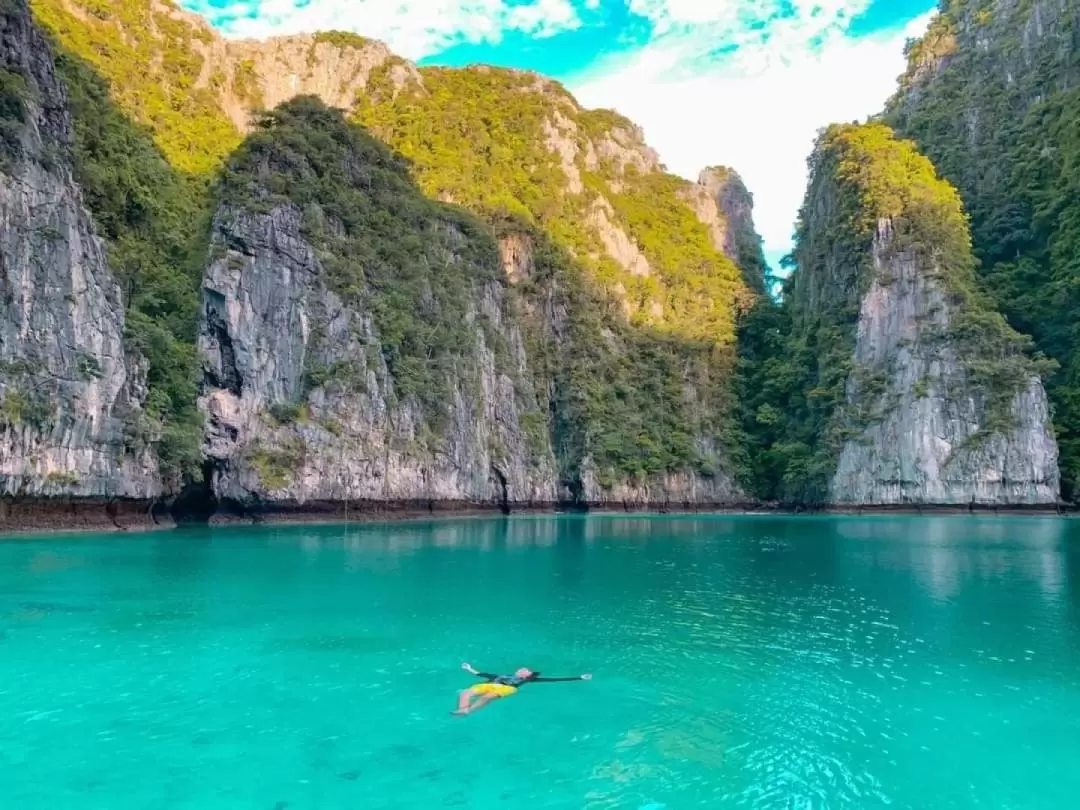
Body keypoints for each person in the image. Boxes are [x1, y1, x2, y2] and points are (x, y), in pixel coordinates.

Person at [453, 662, 592, 715]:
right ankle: (462, 709)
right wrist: (469, 668)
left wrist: (580, 677)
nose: (522, 669)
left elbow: (554, 679)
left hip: (506, 688)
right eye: (522, 668)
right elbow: (480, 673)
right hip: (490, 684)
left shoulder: (527, 679)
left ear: (527, 675)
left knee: (487, 697)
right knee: (465, 692)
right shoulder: (501, 675)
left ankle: (469, 710)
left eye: (525, 670)